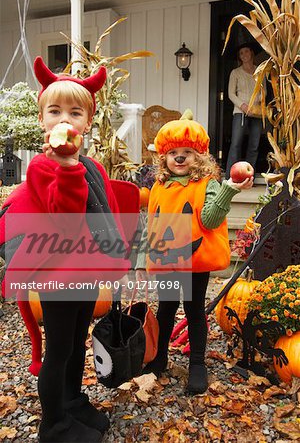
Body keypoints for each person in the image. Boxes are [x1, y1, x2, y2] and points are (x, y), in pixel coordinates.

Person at [0, 57, 130, 442]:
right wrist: (68, 167)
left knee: (77, 341)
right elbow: (67, 220)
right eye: (55, 110)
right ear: (42, 119)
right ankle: (53, 424)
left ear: (87, 122)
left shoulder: (92, 166)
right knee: (58, 349)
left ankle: (72, 400)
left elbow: (102, 218)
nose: (64, 120)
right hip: (58, 275)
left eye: (75, 112)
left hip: (86, 272)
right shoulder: (43, 167)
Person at [136, 112, 253, 395]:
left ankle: (198, 364)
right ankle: (160, 357)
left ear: (199, 156)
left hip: (194, 260)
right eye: (173, 152)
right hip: (165, 258)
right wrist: (141, 261)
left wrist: (228, 190)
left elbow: (210, 220)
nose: (179, 157)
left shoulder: (207, 185)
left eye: (186, 152)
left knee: (193, 310)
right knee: (165, 309)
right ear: (163, 157)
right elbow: (149, 225)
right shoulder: (158, 187)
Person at [225, 42, 265, 179]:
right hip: (240, 112)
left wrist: (255, 104)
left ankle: (248, 177)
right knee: (236, 143)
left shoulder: (260, 71)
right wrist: (243, 106)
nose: (244, 55)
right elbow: (231, 94)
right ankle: (231, 178)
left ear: (251, 53)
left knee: (254, 145)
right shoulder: (235, 72)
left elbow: (263, 92)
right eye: (241, 53)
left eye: (246, 51)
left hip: (257, 113)